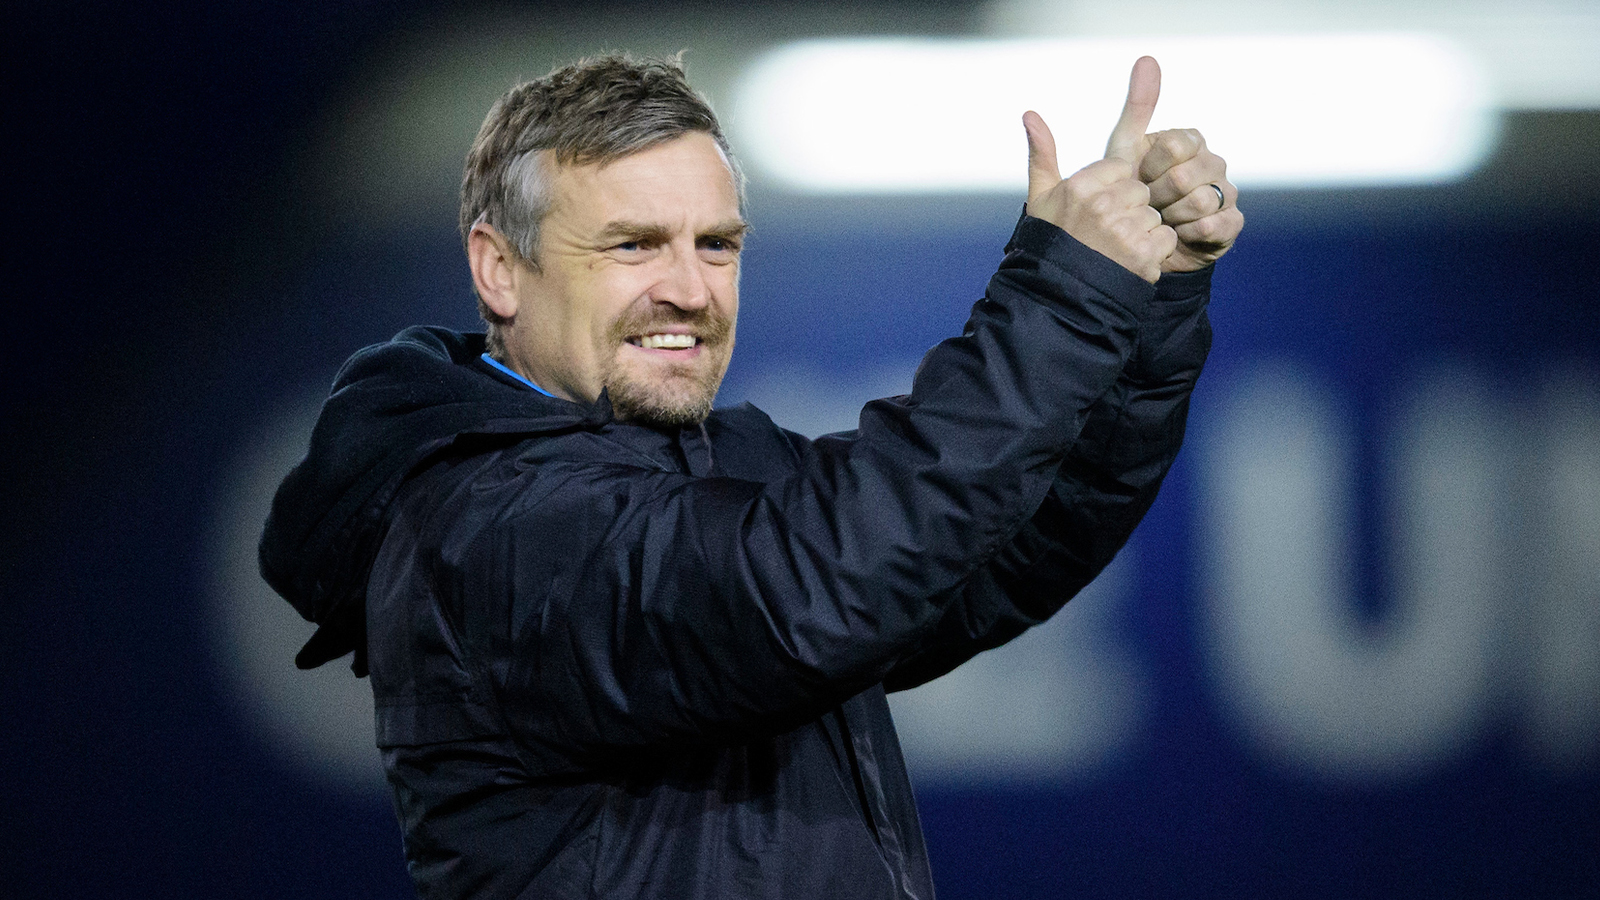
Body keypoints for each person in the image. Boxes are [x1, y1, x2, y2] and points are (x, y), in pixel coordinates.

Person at [261, 51, 1240, 899]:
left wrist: (1141, 295)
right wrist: (1064, 293)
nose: (688, 289)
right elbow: (819, 588)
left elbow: (993, 551)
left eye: (715, 244)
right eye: (632, 244)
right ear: (499, 269)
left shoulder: (718, 466)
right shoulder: (488, 525)